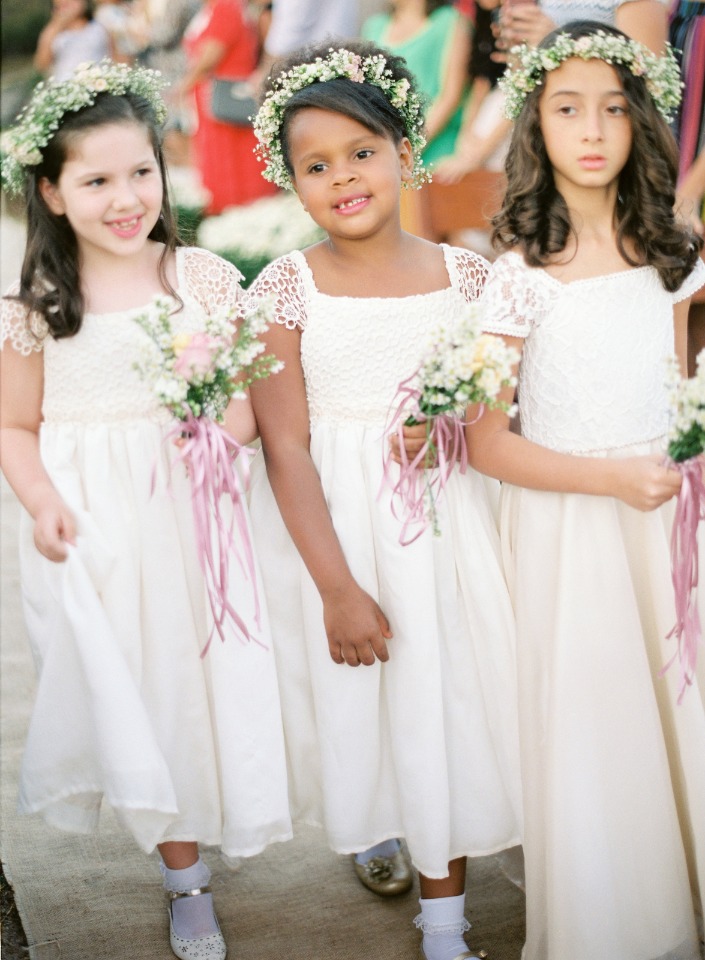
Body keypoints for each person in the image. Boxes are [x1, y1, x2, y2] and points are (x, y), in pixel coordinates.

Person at [0, 61, 291, 960]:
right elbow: (15, 423)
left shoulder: (198, 276)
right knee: (136, 692)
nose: (126, 199)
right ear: (50, 193)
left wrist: (221, 431)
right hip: (95, 528)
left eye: (140, 173)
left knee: (202, 681)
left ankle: (223, 817)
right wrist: (43, 502)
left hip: (194, 513)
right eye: (95, 181)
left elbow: (246, 394)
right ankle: (183, 876)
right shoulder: (40, 307)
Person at [245, 39, 521, 960]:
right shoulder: (285, 288)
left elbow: (493, 421)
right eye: (315, 166)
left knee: (449, 707)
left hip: (446, 529)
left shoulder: (467, 279)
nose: (342, 178)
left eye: (361, 152)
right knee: (363, 707)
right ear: (291, 183)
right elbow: (284, 443)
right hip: (338, 538)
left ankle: (446, 926)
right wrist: (334, 586)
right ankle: (374, 826)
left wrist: (446, 429)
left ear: (407, 151)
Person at [459, 21, 705, 960]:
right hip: (576, 528)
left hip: (669, 518)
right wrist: (607, 478)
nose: (592, 129)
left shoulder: (670, 254)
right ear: (536, 125)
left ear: (640, 122)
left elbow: (682, 389)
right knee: (606, 729)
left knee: (682, 710)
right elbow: (486, 445)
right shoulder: (519, 276)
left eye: (612, 108)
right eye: (567, 109)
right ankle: (624, 925)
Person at [177, 0, 278, 213]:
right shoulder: (212, 8)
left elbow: (210, 57)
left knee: (232, 162)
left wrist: (181, 87)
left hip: (226, 97)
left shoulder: (226, 6)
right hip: (211, 96)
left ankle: (234, 215)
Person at [362, 0, 471, 167]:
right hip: (385, 153)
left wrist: (409, 148)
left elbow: (450, 97)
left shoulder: (449, 21)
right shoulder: (374, 26)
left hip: (436, 153)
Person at [34, 0, 110, 81]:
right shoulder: (54, 32)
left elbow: (116, 56)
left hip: (98, 83)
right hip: (66, 85)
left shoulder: (99, 25)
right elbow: (42, 64)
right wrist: (56, 25)